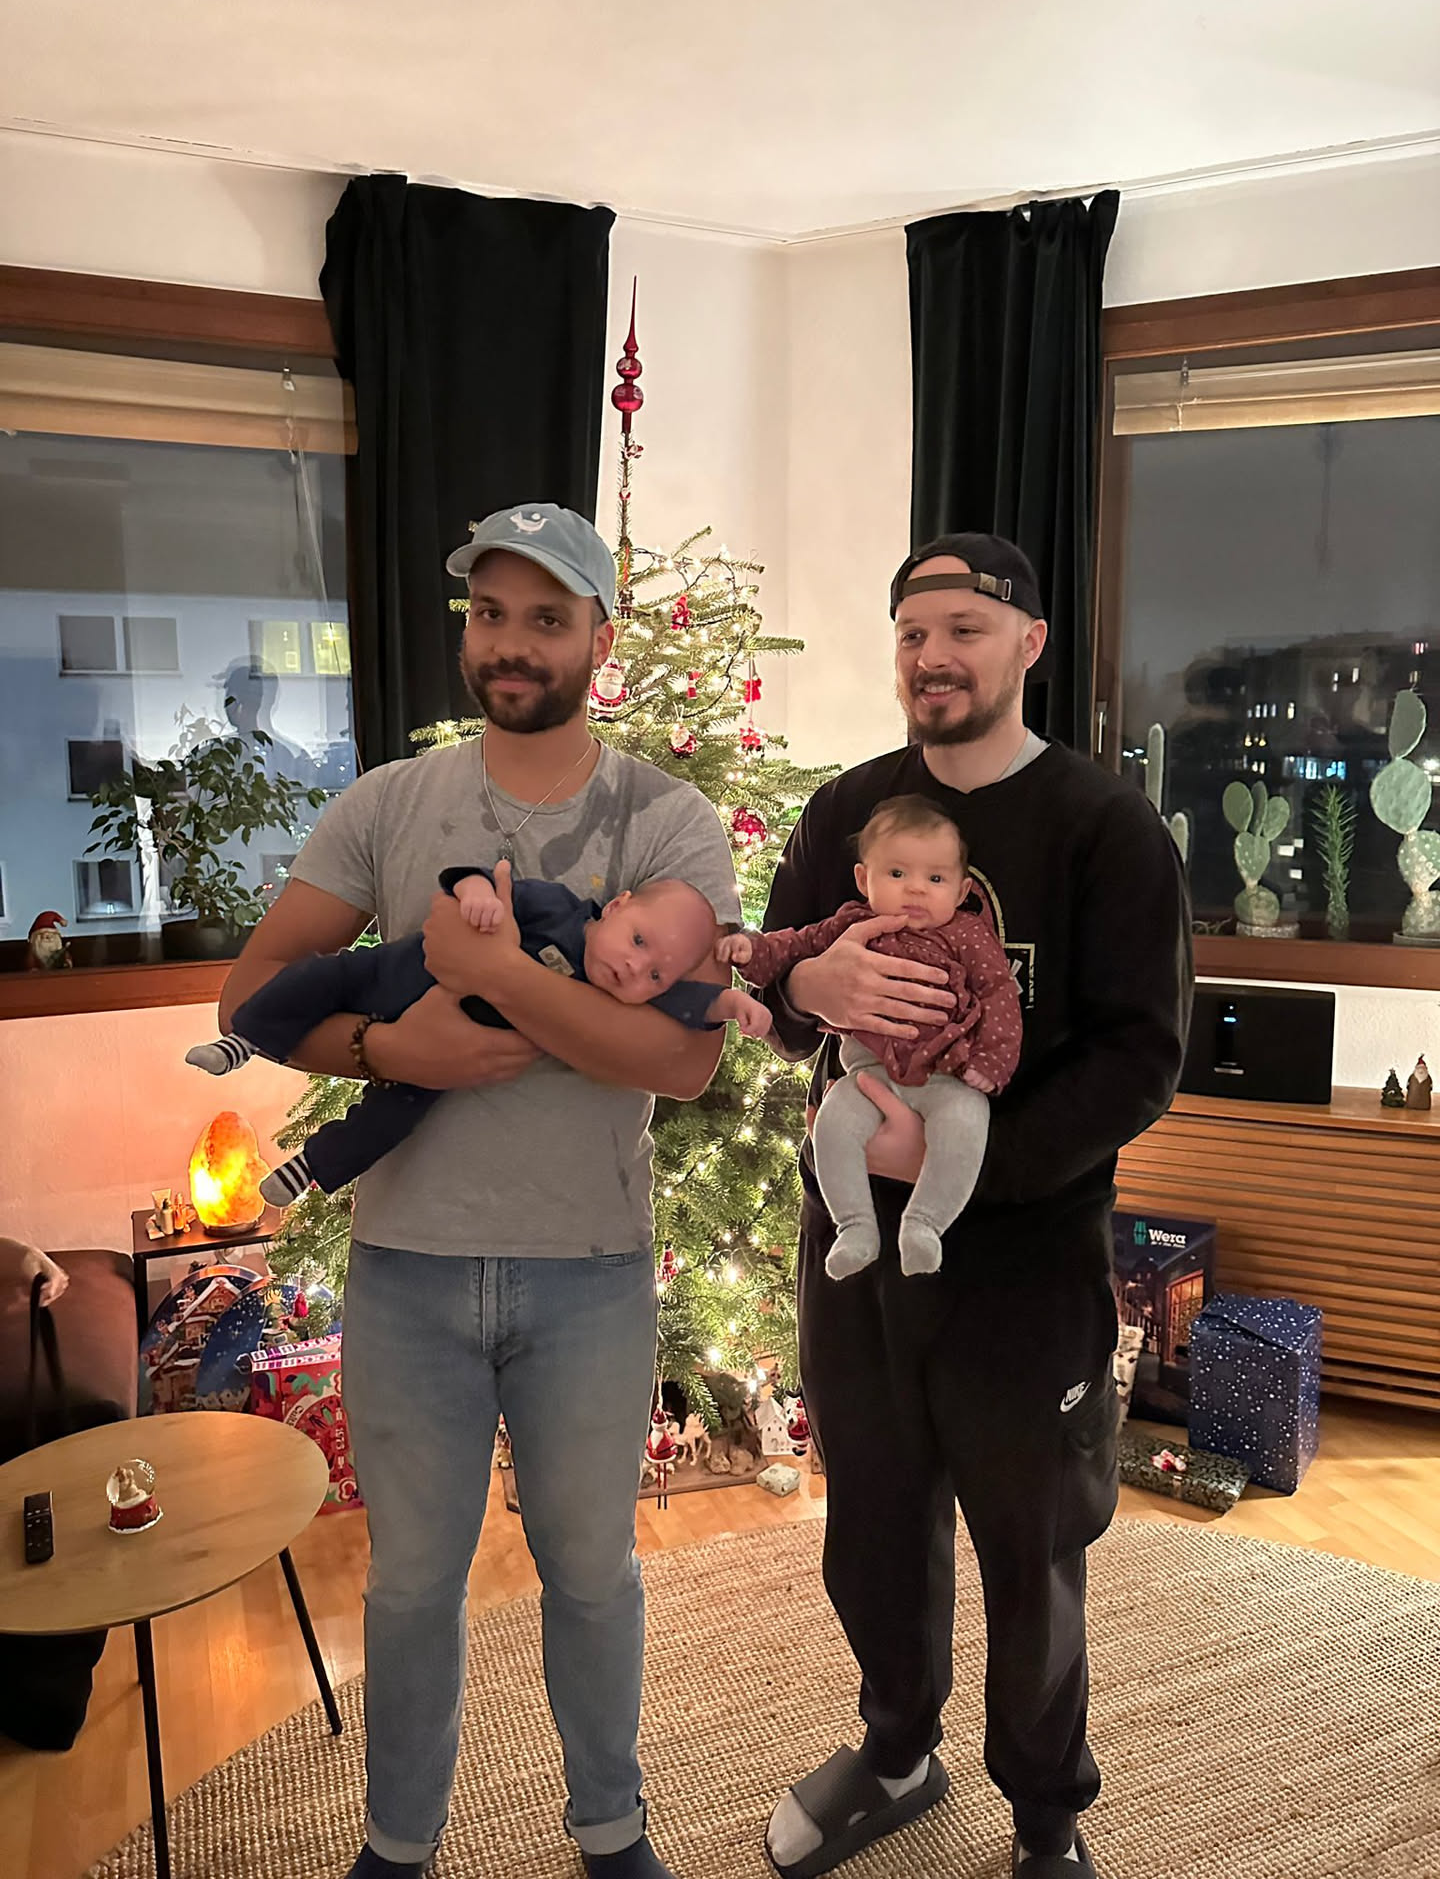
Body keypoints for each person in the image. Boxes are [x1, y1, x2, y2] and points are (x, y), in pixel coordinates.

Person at [218, 502, 743, 1879]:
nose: (512, 643)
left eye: (546, 618)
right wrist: (395, 1050)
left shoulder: (670, 822)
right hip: (407, 1268)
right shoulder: (388, 806)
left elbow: (684, 1061)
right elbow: (251, 995)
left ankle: (611, 1830)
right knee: (408, 1586)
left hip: (591, 1273)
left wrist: (501, 977)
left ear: (599, 642)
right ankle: (398, 1847)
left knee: (592, 1574)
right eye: (491, 614)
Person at [754, 533, 1191, 1879]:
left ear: (1029, 644)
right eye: (912, 634)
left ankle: (1046, 1816)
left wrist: (964, 1170)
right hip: (861, 1259)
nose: (933, 657)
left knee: (1031, 1542)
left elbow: (1140, 1056)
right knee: (876, 1524)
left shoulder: (1104, 828)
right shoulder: (847, 813)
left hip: (1024, 1259)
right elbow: (773, 989)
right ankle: (897, 1750)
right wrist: (806, 988)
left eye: (964, 629)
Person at [189, 869, 769, 1204]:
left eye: (656, 975)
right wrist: (478, 896)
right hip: (391, 974)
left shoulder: (619, 990)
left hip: (445, 1060)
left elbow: (687, 1010)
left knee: (392, 1116)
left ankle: (310, 1169)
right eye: (638, 941)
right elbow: (475, 878)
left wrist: (731, 1003)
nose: (635, 968)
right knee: (320, 978)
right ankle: (245, 1043)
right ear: (616, 907)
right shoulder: (558, 909)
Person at [720, 795, 1020, 1278]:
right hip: (866, 1075)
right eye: (897, 874)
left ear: (962, 889)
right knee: (833, 1125)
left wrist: (991, 1062)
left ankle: (925, 1224)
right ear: (864, 879)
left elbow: (999, 993)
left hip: (947, 1074)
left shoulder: (968, 935)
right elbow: (795, 944)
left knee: (967, 1123)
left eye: (935, 879)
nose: (916, 889)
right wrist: (751, 951)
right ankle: (855, 1226)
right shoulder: (852, 923)